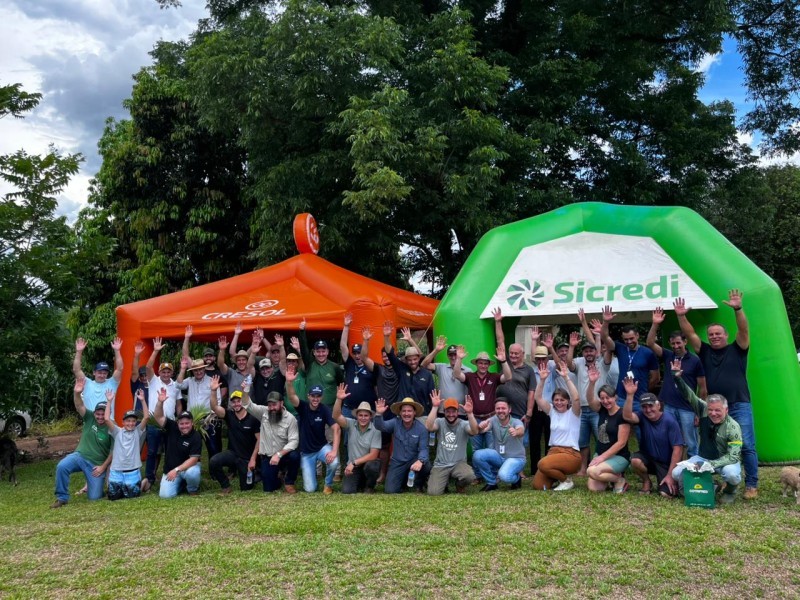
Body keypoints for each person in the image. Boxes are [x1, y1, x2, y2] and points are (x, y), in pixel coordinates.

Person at [674, 290, 758, 499]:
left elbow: (744, 329)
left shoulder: (738, 348)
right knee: (710, 444)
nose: (714, 337)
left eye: (718, 333)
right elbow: (691, 334)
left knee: (746, 444)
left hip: (739, 403)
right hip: (713, 408)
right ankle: (715, 477)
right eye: (711, 334)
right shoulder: (704, 351)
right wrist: (681, 316)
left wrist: (738, 309)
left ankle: (751, 485)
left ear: (726, 335)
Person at [671, 360, 743, 504]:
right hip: (702, 458)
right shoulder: (703, 409)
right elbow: (689, 395)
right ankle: (711, 486)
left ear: (726, 410)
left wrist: (712, 465)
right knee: (676, 473)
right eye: (711, 410)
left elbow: (734, 455)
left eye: (718, 410)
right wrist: (677, 378)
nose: (713, 413)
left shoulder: (733, 427)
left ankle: (730, 490)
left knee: (732, 474)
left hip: (725, 460)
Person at [646, 307, 707, 457]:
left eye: (679, 343)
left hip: (687, 407)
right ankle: (672, 469)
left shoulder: (695, 360)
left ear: (685, 341)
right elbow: (650, 343)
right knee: (670, 439)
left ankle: (695, 471)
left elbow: (703, 388)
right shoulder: (668, 356)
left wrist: (699, 411)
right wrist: (655, 324)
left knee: (691, 442)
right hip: (668, 406)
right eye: (673, 344)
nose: (676, 346)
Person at [51, 378, 113, 508]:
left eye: (103, 414)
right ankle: (62, 498)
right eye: (98, 414)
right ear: (94, 413)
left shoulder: (112, 428)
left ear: (108, 413)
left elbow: (113, 452)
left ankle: (95, 487)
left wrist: (102, 467)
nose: (100, 417)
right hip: (80, 456)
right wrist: (77, 393)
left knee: (94, 497)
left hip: (96, 465)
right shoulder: (89, 417)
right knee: (62, 466)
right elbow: (79, 406)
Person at [620, 380, 684, 498]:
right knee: (635, 460)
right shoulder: (642, 416)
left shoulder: (669, 421)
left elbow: (678, 449)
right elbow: (627, 416)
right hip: (648, 459)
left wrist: (670, 475)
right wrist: (630, 395)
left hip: (666, 464)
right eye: (644, 407)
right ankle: (646, 482)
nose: (648, 410)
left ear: (658, 405)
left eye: (651, 406)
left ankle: (669, 479)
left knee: (666, 494)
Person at [286, 372, 341, 494]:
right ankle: (313, 481)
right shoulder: (303, 407)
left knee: (334, 462)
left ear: (321, 397)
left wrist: (334, 451)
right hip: (306, 453)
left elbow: (336, 428)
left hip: (322, 448)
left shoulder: (324, 409)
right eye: (313, 396)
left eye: (318, 396)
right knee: (310, 489)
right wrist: (289, 382)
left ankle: (328, 484)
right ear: (308, 396)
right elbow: (291, 397)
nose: (315, 399)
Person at [531, 362, 582, 491]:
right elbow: (537, 397)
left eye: (562, 400)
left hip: (571, 454)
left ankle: (566, 480)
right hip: (553, 452)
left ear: (567, 401)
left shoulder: (574, 413)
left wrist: (566, 378)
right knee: (539, 486)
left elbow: (576, 398)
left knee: (542, 464)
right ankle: (557, 474)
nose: (559, 403)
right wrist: (542, 380)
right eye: (556, 400)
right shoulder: (551, 411)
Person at [242, 383, 300, 494]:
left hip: (283, 456)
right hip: (267, 457)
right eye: (269, 405)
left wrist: (279, 455)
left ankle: (289, 481)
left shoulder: (290, 418)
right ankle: (278, 477)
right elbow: (246, 404)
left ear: (281, 403)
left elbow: (294, 441)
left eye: (274, 405)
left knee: (294, 456)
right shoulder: (263, 413)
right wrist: (245, 390)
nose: (272, 408)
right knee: (269, 488)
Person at [600, 306, 660, 413]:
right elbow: (605, 337)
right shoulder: (620, 348)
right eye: (626, 339)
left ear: (637, 335)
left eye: (631, 338)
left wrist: (643, 390)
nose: (629, 342)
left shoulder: (648, 353)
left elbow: (656, 377)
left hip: (640, 399)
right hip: (621, 398)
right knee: (621, 428)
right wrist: (605, 322)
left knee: (639, 429)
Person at [452, 345, 512, 452]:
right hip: (474, 419)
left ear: (489, 365)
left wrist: (503, 362)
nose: (483, 366)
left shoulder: (494, 377)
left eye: (485, 363)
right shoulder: (470, 377)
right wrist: (459, 359)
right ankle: (478, 469)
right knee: (476, 449)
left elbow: (508, 377)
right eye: (480, 363)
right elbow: (456, 374)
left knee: (492, 449)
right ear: (476, 364)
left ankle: (492, 469)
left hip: (491, 418)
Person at [141, 337, 182, 493]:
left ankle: (168, 475)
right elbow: (148, 366)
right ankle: (149, 479)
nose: (165, 373)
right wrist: (156, 350)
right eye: (163, 371)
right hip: (153, 422)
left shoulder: (174, 385)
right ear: (159, 372)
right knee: (152, 452)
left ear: (171, 372)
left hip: (170, 423)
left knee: (170, 451)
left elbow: (178, 404)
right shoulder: (153, 381)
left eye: (168, 371)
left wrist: (179, 419)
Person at [208, 376, 260, 494]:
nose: (236, 404)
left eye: (239, 401)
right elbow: (214, 407)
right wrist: (213, 391)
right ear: (231, 404)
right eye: (234, 401)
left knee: (246, 489)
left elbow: (259, 440)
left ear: (244, 401)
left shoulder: (253, 417)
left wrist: (253, 460)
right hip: (232, 454)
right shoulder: (229, 415)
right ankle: (226, 486)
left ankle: (255, 472)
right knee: (213, 462)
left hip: (246, 458)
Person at [585, 367, 631, 493]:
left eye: (608, 397)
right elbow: (589, 399)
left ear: (615, 397)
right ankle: (614, 478)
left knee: (592, 471)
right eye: (602, 398)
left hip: (619, 457)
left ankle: (619, 480)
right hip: (601, 455)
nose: (605, 401)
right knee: (594, 488)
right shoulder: (602, 411)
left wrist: (601, 458)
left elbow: (621, 443)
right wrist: (592, 382)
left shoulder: (622, 415)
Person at [425, 391, 479, 495]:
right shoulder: (440, 422)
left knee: (469, 476)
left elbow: (475, 431)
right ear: (444, 412)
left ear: (458, 412)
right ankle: (442, 483)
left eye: (453, 411)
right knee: (433, 493)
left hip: (458, 464)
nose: (451, 414)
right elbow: (429, 427)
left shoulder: (463, 424)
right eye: (448, 411)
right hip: (441, 464)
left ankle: (459, 485)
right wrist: (435, 407)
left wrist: (470, 413)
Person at [374, 397, 431, 493]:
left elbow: (424, 449)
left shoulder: (422, 429)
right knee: (390, 491)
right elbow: (380, 426)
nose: (406, 414)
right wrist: (379, 414)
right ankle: (403, 483)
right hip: (397, 462)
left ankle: (419, 484)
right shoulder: (395, 422)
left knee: (426, 465)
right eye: (404, 411)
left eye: (409, 411)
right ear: (400, 413)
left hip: (413, 461)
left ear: (414, 413)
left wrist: (420, 461)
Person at [332, 384, 382, 494]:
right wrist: (339, 399)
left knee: (373, 465)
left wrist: (354, 463)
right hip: (354, 467)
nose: (363, 418)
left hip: (366, 464)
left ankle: (369, 487)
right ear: (356, 416)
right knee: (347, 491)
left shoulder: (376, 429)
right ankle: (360, 484)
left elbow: (374, 455)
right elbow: (336, 416)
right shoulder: (350, 424)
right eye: (360, 415)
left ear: (370, 416)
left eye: (366, 415)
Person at [493, 308, 536, 428]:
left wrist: (529, 412)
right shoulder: (505, 362)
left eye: (516, 353)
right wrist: (498, 322)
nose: (513, 355)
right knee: (502, 440)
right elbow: (500, 341)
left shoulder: (529, 370)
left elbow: (531, 393)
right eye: (511, 353)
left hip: (519, 412)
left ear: (522, 354)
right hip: (501, 411)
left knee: (520, 441)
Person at [154, 390, 203, 499]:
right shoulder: (172, 427)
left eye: (187, 423)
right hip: (170, 470)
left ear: (192, 423)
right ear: (177, 423)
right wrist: (160, 402)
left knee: (193, 473)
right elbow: (158, 417)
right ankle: (181, 484)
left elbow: (194, 459)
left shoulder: (196, 436)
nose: (184, 426)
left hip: (186, 469)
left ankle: (192, 489)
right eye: (182, 423)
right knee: (165, 496)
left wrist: (177, 470)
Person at [472, 398, 526, 491]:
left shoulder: (516, 421)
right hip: (499, 457)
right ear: (495, 410)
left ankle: (516, 479)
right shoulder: (493, 420)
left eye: (503, 408)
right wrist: (481, 427)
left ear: (509, 410)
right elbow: (482, 430)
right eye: (498, 408)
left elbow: (521, 430)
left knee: (504, 476)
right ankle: (492, 482)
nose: (500, 411)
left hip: (516, 458)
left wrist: (516, 432)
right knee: (477, 455)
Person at [104, 388, 149, 500]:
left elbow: (146, 417)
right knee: (113, 497)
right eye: (128, 421)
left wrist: (142, 400)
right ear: (123, 422)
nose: (131, 423)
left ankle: (143, 482)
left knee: (132, 495)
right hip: (117, 471)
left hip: (132, 471)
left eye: (133, 421)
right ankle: (117, 483)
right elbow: (106, 419)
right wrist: (109, 401)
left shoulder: (138, 431)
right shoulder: (117, 431)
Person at [176, 356, 222, 458]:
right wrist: (183, 369)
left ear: (204, 368)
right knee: (191, 446)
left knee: (213, 447)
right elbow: (178, 385)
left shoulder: (212, 381)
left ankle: (214, 471)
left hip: (208, 419)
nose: (198, 372)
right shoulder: (189, 380)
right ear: (192, 371)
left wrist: (211, 416)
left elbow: (218, 400)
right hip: (192, 420)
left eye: (200, 369)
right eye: (195, 370)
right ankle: (192, 469)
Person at [384, 327, 436, 414]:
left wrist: (432, 413)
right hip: (404, 413)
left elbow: (432, 396)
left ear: (419, 358)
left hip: (422, 414)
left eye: (415, 359)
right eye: (410, 360)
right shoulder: (401, 369)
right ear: (406, 360)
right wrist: (386, 337)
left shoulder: (427, 374)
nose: (412, 362)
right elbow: (390, 353)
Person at [299, 317, 344, 407]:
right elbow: (304, 348)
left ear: (327, 352)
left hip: (330, 409)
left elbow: (342, 386)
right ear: (314, 352)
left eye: (323, 351)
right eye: (318, 351)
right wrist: (302, 331)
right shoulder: (309, 364)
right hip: (311, 408)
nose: (321, 354)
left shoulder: (335, 367)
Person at [421, 337, 470, 417]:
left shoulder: (468, 371)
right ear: (447, 356)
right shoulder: (441, 367)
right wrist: (436, 350)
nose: (453, 357)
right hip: (443, 411)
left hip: (460, 411)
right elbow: (424, 365)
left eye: (455, 354)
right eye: (451, 355)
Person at [72, 336, 124, 411]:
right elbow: (76, 370)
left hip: (108, 421)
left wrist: (117, 351)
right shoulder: (86, 383)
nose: (102, 375)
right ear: (94, 372)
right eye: (99, 372)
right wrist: (79, 352)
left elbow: (120, 369)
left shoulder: (112, 383)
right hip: (90, 421)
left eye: (104, 373)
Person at [340, 315, 378, 415]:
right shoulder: (350, 363)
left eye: (359, 353)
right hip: (348, 409)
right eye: (355, 353)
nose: (357, 356)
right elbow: (343, 346)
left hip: (367, 411)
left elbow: (377, 388)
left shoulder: (370, 367)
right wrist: (346, 326)